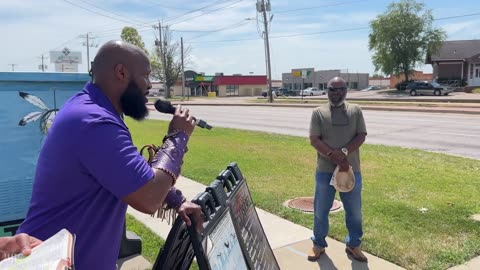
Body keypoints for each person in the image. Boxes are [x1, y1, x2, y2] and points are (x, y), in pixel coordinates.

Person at [16, 40, 203, 269]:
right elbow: (148, 197)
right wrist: (178, 137)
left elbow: (128, 173)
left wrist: (177, 201)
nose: (149, 86)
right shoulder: (93, 120)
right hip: (51, 263)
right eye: (146, 76)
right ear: (121, 72)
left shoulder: (97, 110)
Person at [307, 77, 368, 262]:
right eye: (333, 89)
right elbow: (314, 139)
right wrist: (334, 157)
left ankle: (354, 245)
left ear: (346, 90)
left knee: (354, 211)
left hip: (351, 170)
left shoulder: (355, 111)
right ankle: (318, 245)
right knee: (320, 210)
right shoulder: (318, 112)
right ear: (327, 91)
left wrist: (343, 153)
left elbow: (361, 135)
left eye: (340, 89)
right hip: (325, 171)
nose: (337, 93)